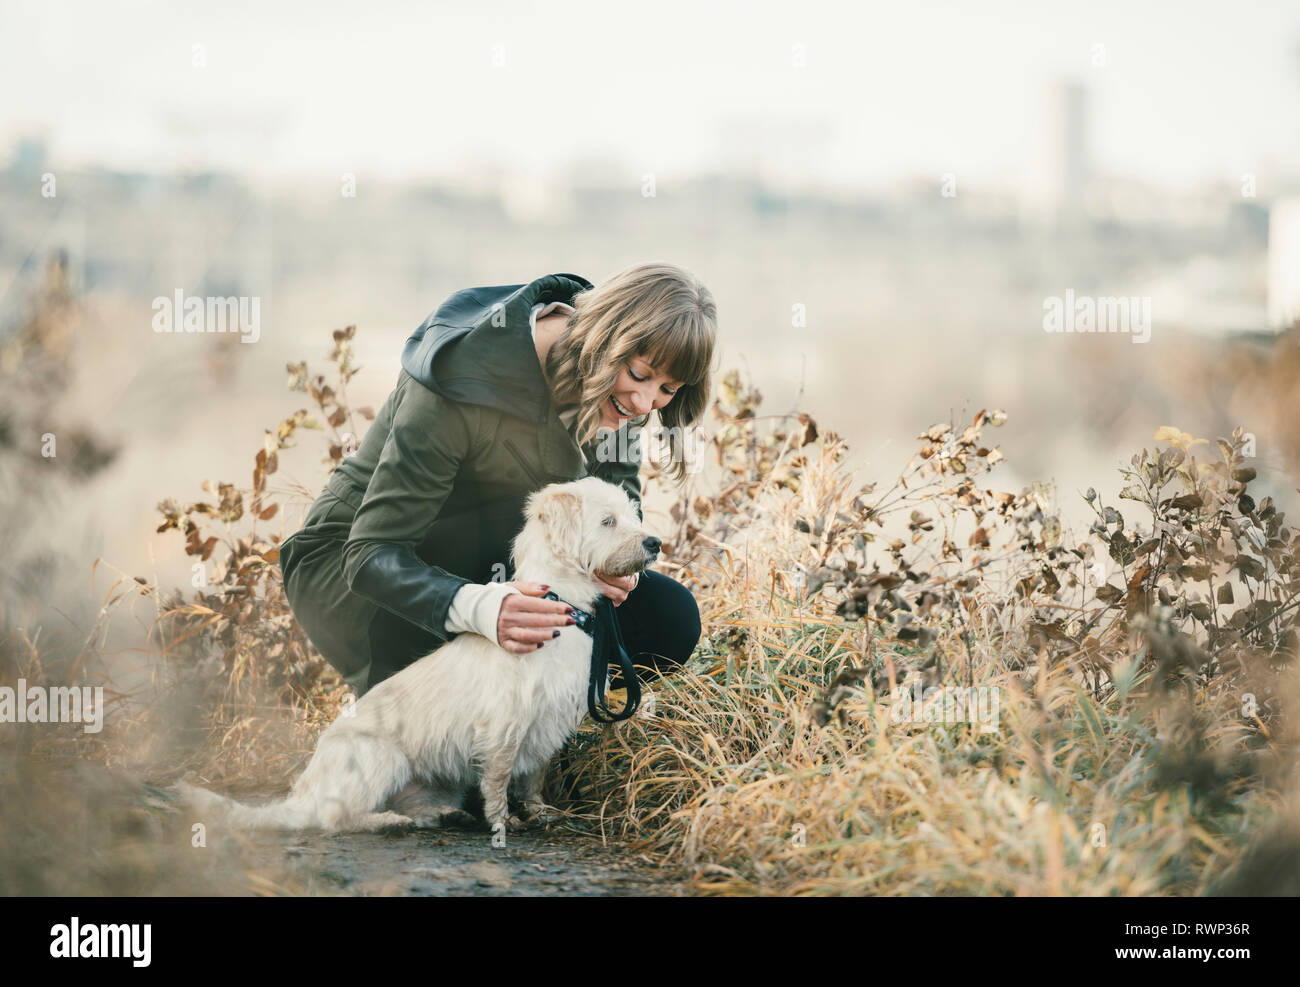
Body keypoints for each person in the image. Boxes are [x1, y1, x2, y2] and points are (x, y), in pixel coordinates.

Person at [277, 264, 718, 697]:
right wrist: (487, 607)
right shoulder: (462, 376)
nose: (645, 402)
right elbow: (371, 554)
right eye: (640, 375)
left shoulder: (619, 389)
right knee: (524, 510)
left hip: (500, 557)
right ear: (603, 338)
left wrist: (612, 564)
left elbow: (618, 502)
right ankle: (441, 703)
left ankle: (550, 714)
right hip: (360, 571)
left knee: (666, 616)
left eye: (668, 388)